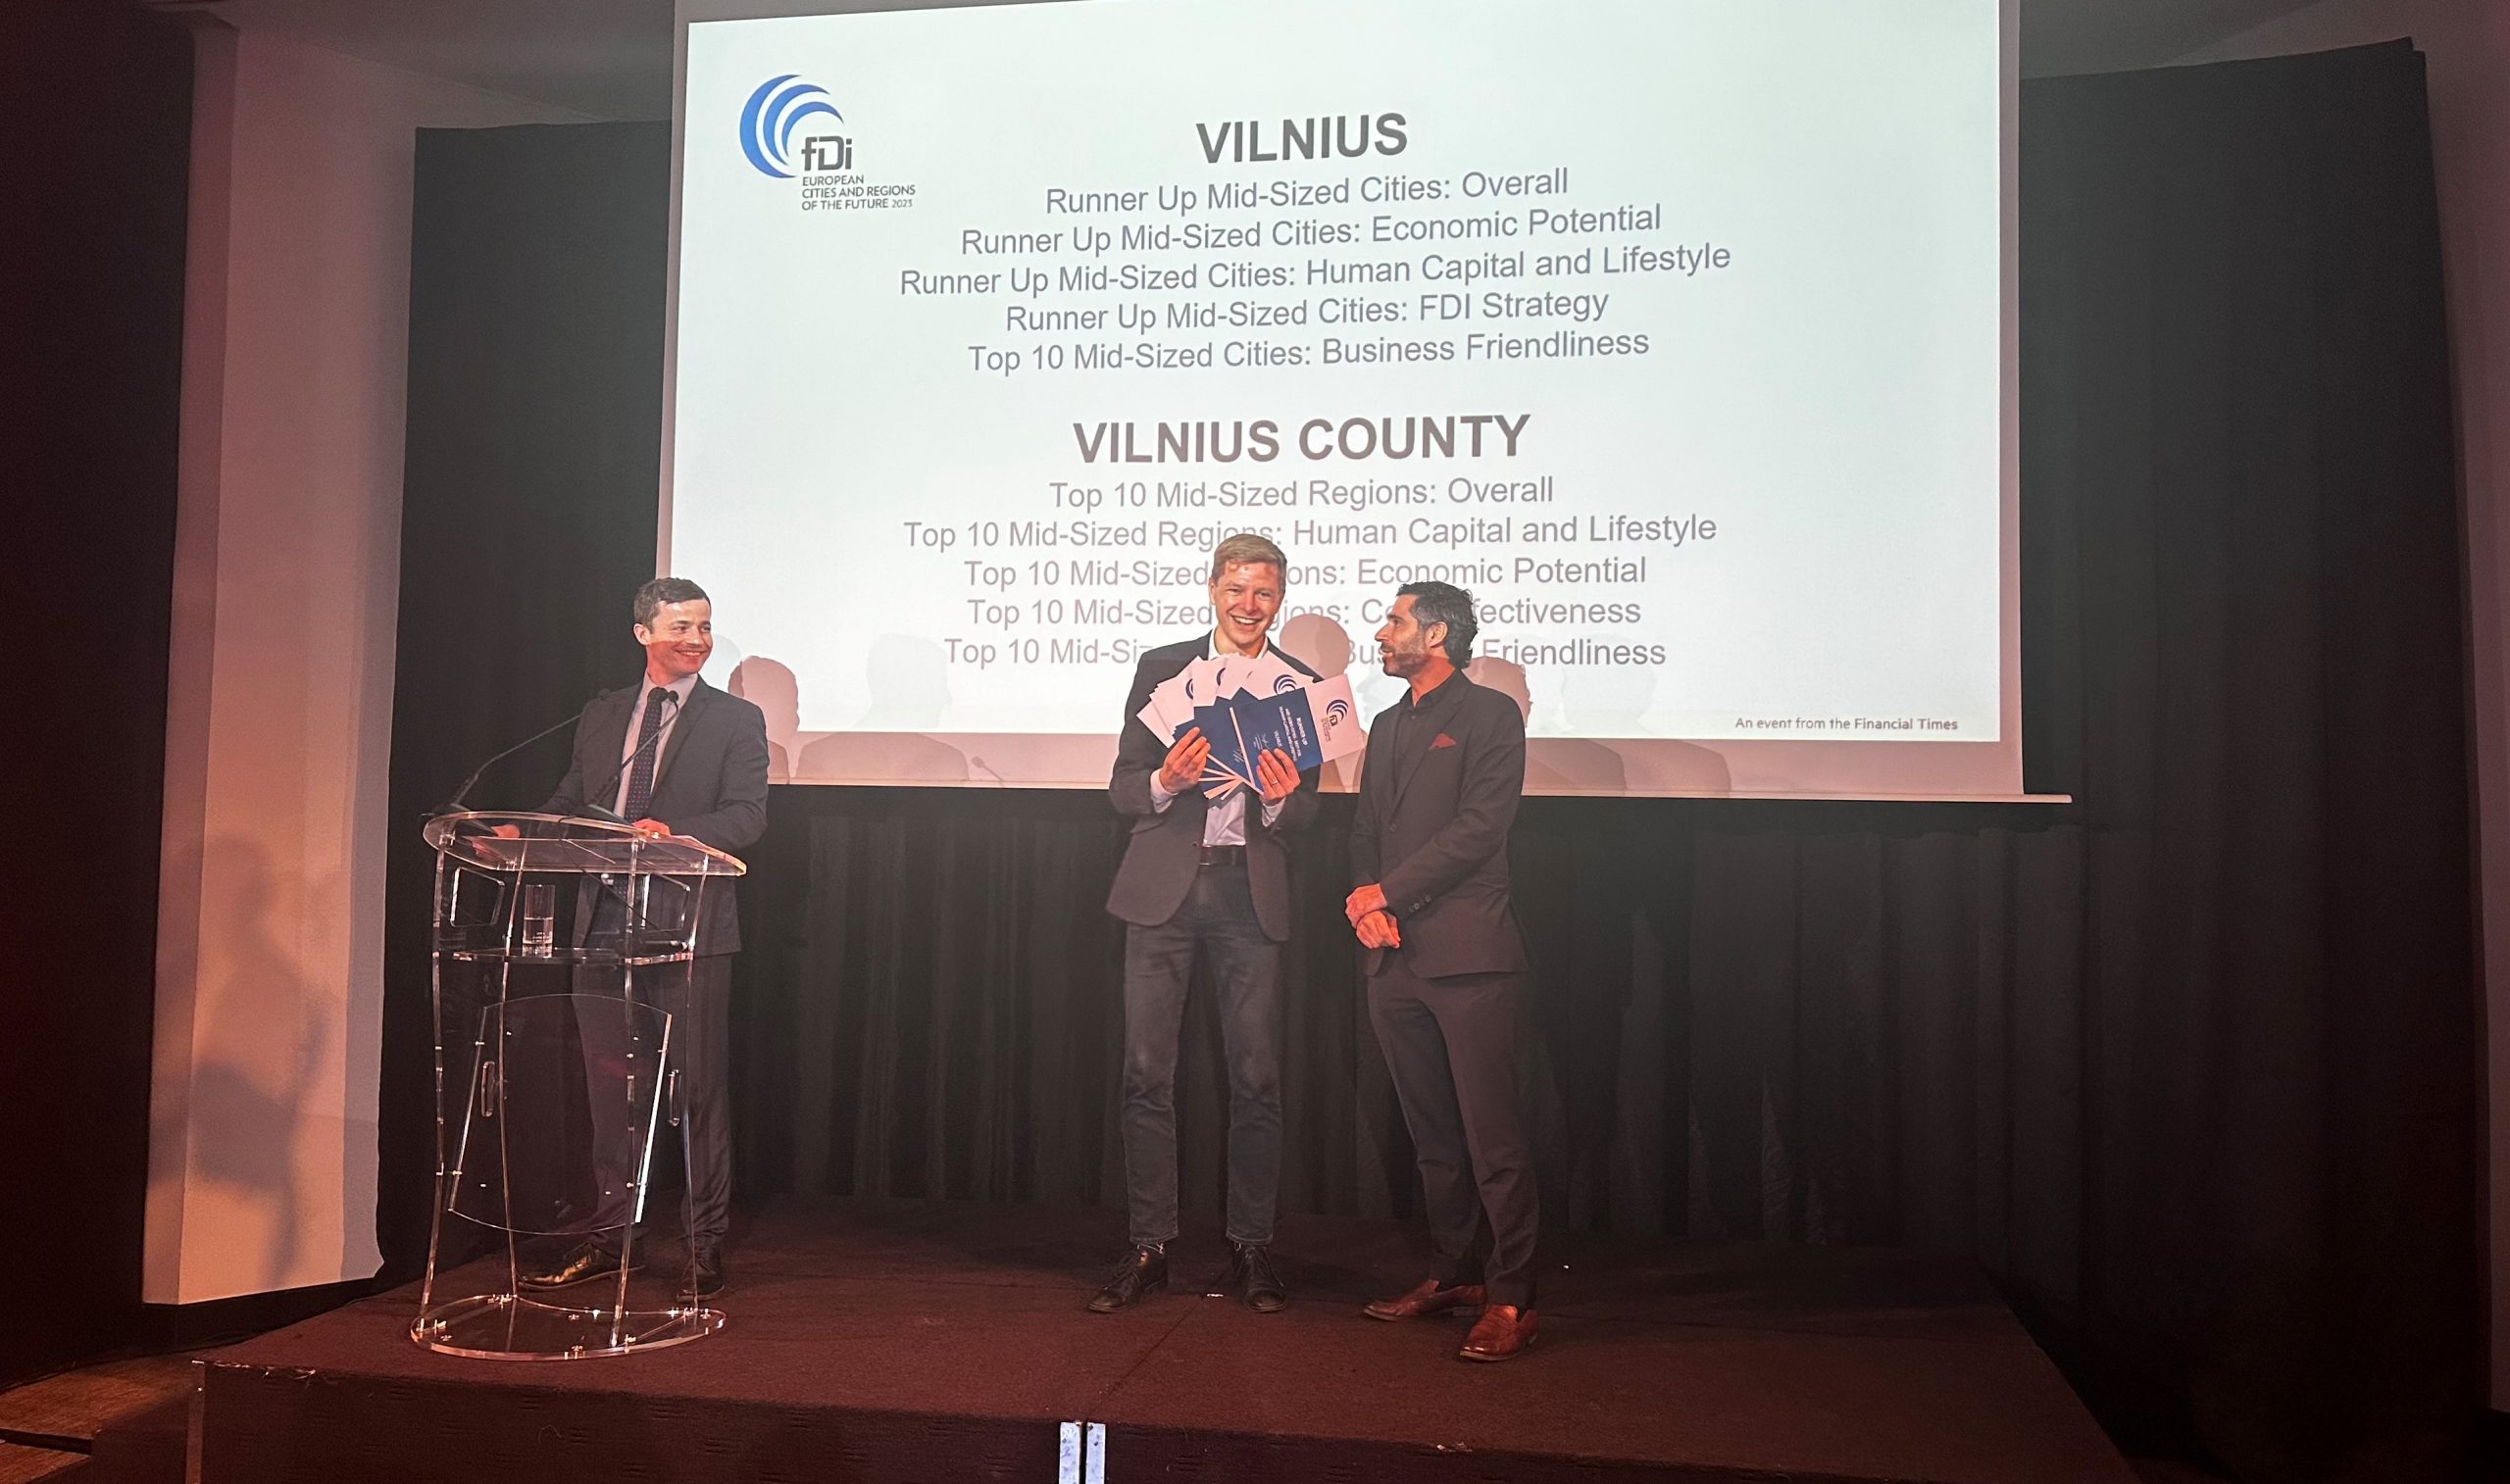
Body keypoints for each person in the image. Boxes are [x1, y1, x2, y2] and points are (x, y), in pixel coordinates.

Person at [516, 576, 769, 1301]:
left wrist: (675, 834)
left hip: (688, 927)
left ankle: (701, 1245)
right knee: (608, 1091)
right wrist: (524, 831)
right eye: (681, 627)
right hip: (602, 922)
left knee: (697, 1093)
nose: (697, 640)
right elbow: (572, 800)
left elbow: (747, 815)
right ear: (643, 634)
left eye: (705, 627)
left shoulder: (735, 719)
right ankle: (611, 1239)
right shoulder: (602, 714)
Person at [1093, 533, 1320, 1313]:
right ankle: (1149, 1245)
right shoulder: (1163, 669)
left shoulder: (1300, 684)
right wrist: (1165, 778)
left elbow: (1309, 815)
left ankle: (1251, 1245)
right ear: (1213, 590)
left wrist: (1282, 800)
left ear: (1279, 600)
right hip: (1163, 892)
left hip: (1248, 898)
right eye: (1236, 590)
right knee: (1145, 1075)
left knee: (1256, 1078)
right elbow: (1123, 789)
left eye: (1264, 593)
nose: (1249, 606)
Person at [1346, 582, 1539, 1361]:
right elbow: (1365, 830)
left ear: (1436, 634)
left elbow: (1480, 829)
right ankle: (1455, 1274)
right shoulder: (1388, 724)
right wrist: (1366, 905)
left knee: (1493, 1139)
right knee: (1432, 1138)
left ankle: (1514, 1296)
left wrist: (1386, 892)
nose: (1381, 633)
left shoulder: (1492, 716)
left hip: (1469, 958)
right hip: (1392, 957)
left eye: (1394, 621)